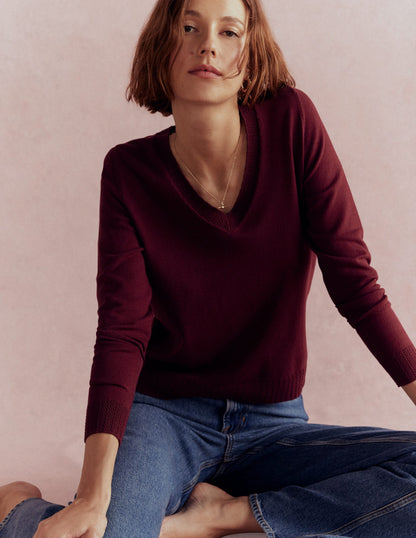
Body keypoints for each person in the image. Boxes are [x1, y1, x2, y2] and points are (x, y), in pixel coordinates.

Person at [1, 0, 416, 536]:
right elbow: (123, 331)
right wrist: (91, 497)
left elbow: (356, 284)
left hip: (274, 422)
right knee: (100, 530)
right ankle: (19, 509)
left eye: (229, 31)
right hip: (164, 416)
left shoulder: (293, 123)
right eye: (189, 27)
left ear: (251, 52)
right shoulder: (128, 172)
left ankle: (224, 514)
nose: (208, 46)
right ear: (162, 46)